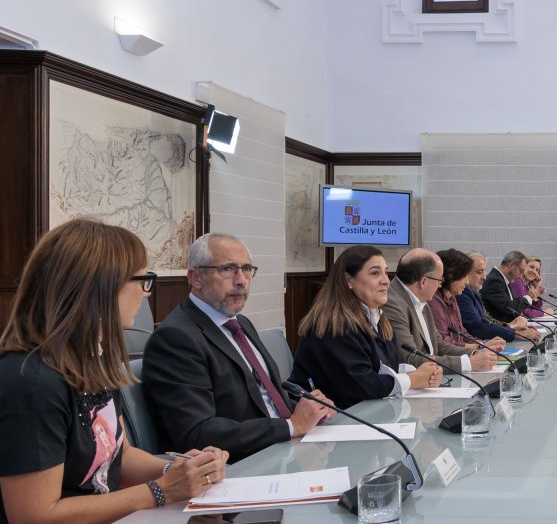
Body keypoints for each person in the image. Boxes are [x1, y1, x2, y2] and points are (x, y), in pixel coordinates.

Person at [0, 219, 229, 523]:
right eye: (143, 280)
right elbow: (35, 515)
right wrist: (160, 491)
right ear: (100, 288)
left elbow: (119, 455)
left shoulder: (89, 360)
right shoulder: (32, 381)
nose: (147, 293)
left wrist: (181, 470)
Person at [142, 234, 335, 463]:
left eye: (246, 269)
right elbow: (196, 433)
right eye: (228, 269)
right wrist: (291, 427)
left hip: (286, 451)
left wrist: (311, 410)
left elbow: (269, 401)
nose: (241, 280)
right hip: (242, 466)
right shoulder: (176, 338)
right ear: (195, 277)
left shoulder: (240, 323)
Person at [288, 245, 442, 409]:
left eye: (385, 272)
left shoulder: (378, 319)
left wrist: (422, 373)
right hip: (331, 422)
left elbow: (388, 366)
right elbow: (362, 384)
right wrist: (413, 379)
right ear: (349, 280)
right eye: (375, 273)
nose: (386, 280)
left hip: (364, 413)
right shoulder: (334, 325)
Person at [385, 249, 498, 372]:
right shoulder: (393, 304)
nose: (439, 286)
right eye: (439, 281)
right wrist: (467, 363)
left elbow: (438, 343)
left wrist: (474, 354)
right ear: (424, 282)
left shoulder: (421, 301)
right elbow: (410, 358)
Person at [456, 252, 541, 344]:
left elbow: (487, 319)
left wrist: (511, 326)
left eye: (484, 271)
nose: (484, 277)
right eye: (480, 272)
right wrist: (517, 333)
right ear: (464, 273)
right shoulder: (463, 293)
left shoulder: (474, 293)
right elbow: (478, 326)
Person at [431, 248, 505, 352]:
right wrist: (481, 346)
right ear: (451, 275)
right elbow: (444, 343)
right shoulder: (435, 300)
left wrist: (483, 343)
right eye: (464, 276)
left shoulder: (452, 297)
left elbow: (462, 333)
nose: (467, 281)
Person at [481, 251, 538, 323]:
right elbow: (507, 307)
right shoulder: (494, 280)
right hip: (498, 330)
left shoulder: (503, 280)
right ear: (511, 265)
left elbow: (512, 304)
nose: (521, 276)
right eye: (521, 271)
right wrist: (528, 297)